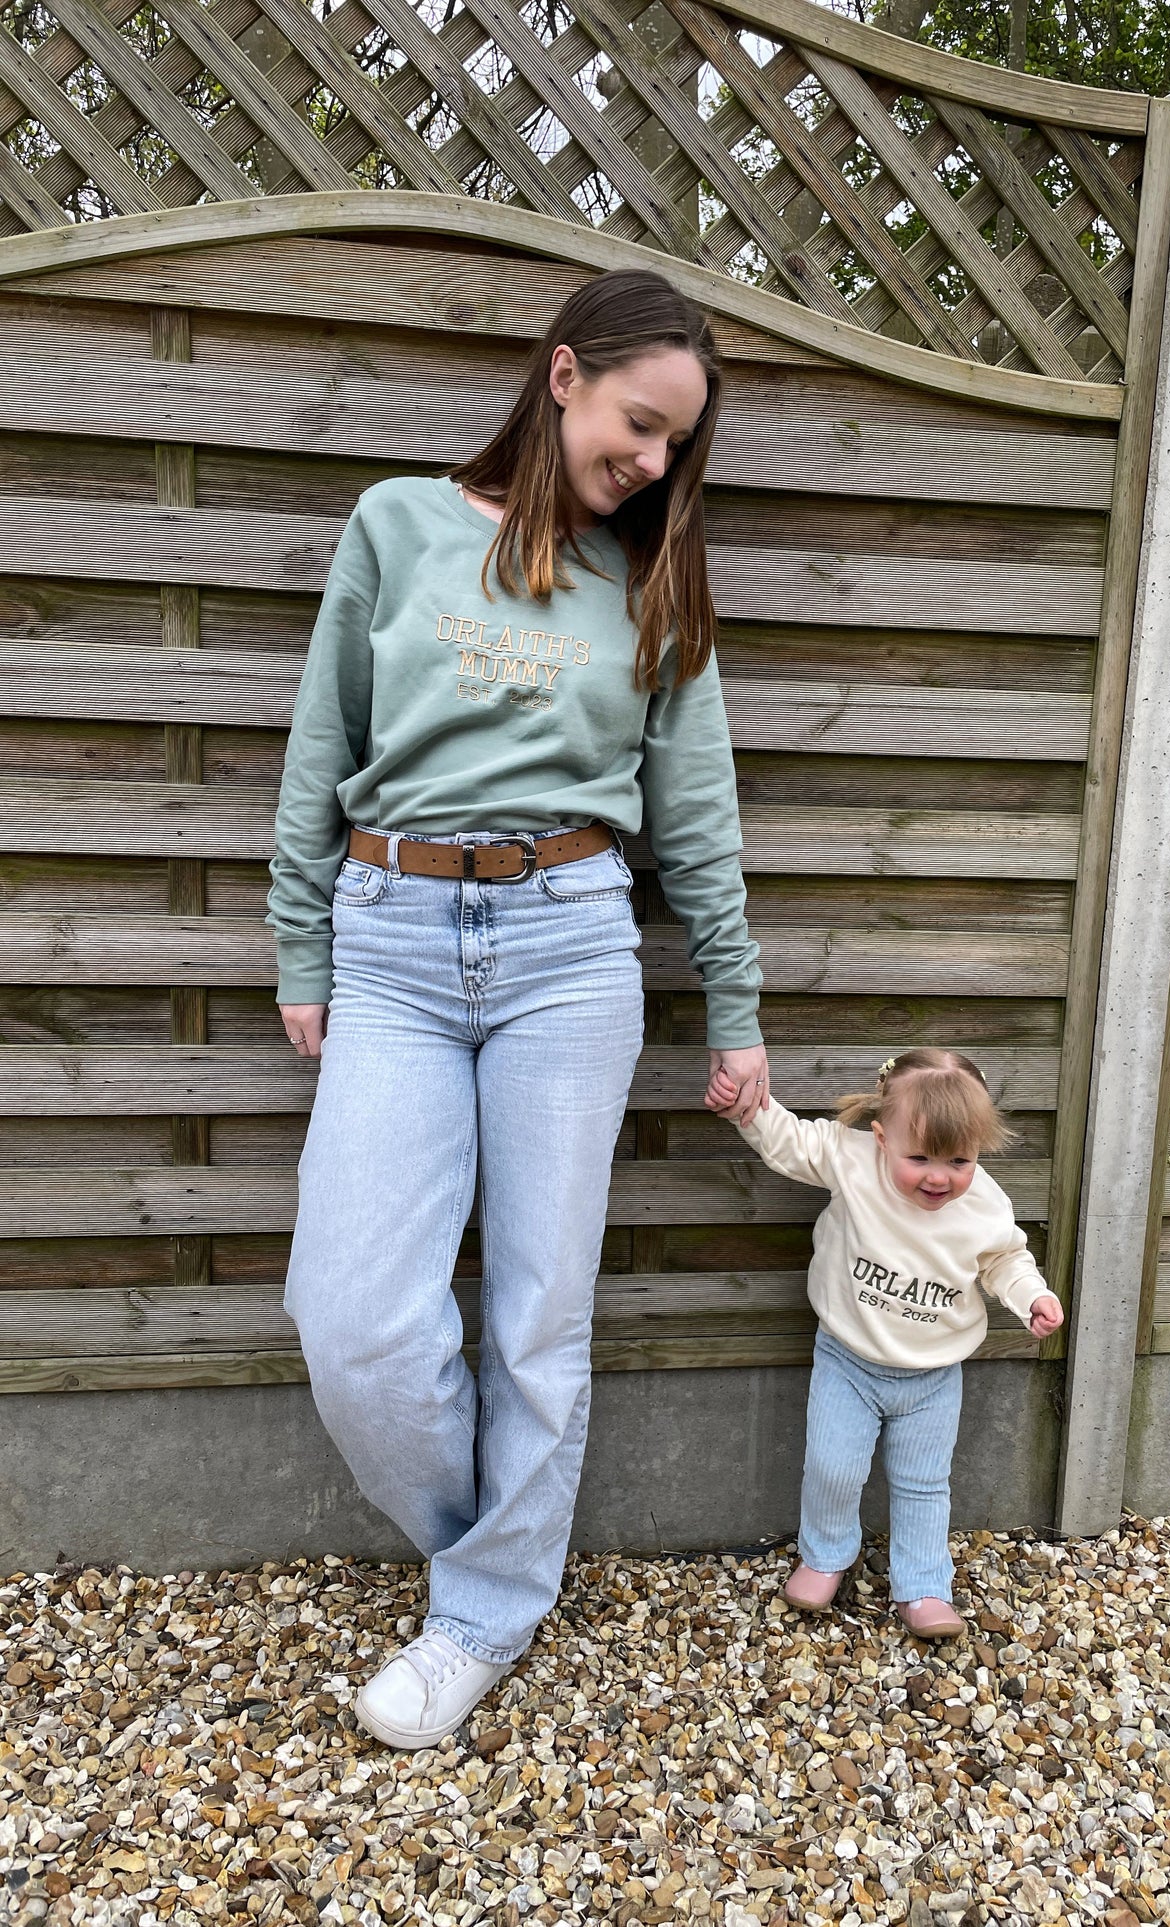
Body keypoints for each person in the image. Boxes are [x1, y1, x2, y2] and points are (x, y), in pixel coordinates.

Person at [268, 268, 769, 1749]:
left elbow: (700, 816)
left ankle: (484, 1609)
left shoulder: (655, 582)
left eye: (678, 443)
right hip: (395, 942)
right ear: (563, 377)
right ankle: (482, 1534)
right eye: (638, 423)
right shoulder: (395, 525)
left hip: (569, 948)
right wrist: (303, 947)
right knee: (351, 1316)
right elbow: (319, 748)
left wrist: (733, 1005)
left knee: (539, 1320)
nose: (654, 464)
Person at [707, 1048, 1063, 1638]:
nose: (938, 1177)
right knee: (832, 1466)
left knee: (924, 1483)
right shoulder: (853, 1159)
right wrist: (747, 1108)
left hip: (932, 1376)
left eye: (959, 1160)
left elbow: (1006, 1260)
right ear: (880, 1136)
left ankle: (923, 1585)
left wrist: (1032, 1298)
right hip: (847, 1359)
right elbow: (793, 1141)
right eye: (919, 1157)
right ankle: (825, 1556)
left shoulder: (984, 1205)